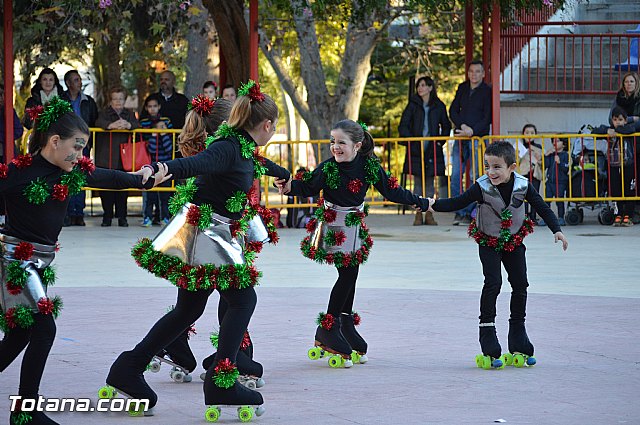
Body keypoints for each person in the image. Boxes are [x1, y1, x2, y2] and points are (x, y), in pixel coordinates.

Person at [104, 81, 290, 417]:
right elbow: (196, 164)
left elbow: (257, 164)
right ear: (266, 125)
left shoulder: (242, 146)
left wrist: (285, 174)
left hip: (210, 231)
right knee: (243, 298)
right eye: (274, 127)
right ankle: (221, 379)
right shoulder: (228, 147)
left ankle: (129, 367)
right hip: (210, 233)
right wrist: (162, 169)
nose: (273, 132)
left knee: (189, 309)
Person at [0, 97, 162, 424]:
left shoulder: (71, 171)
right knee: (44, 330)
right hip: (15, 260)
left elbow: (107, 177)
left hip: (39, 263)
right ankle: (25, 411)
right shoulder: (18, 172)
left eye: (84, 148)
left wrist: (140, 178)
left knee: (20, 334)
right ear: (54, 141)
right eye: (77, 146)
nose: (81, 155)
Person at [276, 120, 428, 366]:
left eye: (341, 143)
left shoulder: (368, 166)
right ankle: (329, 326)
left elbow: (391, 191)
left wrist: (420, 201)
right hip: (333, 224)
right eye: (333, 142)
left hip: (354, 226)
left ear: (357, 145)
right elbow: (307, 186)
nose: (335, 147)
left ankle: (344, 324)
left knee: (351, 274)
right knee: (347, 276)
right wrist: (287, 186)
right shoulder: (328, 168)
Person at [425, 141, 568, 369]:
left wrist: (557, 230)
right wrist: (431, 204)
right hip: (489, 240)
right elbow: (457, 202)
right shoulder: (481, 186)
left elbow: (542, 207)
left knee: (520, 284)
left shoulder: (523, 185)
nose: (491, 172)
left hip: (514, 240)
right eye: (487, 166)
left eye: (496, 167)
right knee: (493, 283)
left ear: (512, 167)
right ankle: (487, 332)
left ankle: (518, 335)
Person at [398, 76, 452, 226]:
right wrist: (412, 142)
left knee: (429, 183)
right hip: (416, 148)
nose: (420, 88)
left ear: (430, 87)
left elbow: (446, 125)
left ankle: (429, 214)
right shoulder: (413, 104)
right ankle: (417, 214)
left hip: (432, 148)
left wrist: (440, 141)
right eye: (418, 86)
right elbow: (403, 125)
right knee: (417, 183)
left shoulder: (439, 105)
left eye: (423, 85)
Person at [449, 60, 492, 225]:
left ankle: (472, 212)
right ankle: (460, 212)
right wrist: (462, 126)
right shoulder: (462, 88)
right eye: (471, 71)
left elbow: (487, 117)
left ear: (483, 74)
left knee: (476, 176)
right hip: (461, 137)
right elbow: (453, 110)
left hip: (477, 139)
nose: (474, 75)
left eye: (477, 71)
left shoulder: (487, 91)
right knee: (455, 176)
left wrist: (472, 130)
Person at [94, 86, 140, 227]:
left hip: (123, 156)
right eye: (115, 99)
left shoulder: (129, 113)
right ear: (110, 100)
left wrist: (129, 125)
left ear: (124, 99)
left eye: (120, 98)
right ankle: (107, 216)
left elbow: (138, 125)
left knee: (122, 187)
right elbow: (97, 123)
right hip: (106, 155)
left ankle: (122, 217)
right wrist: (110, 125)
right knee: (106, 187)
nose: (118, 102)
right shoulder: (104, 113)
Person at [60, 70, 99, 227]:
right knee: (67, 177)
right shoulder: (61, 99)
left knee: (80, 177)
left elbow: (94, 120)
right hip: (66, 145)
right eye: (76, 80)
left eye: (80, 80)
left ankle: (79, 213)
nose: (79, 83)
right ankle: (68, 213)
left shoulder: (88, 101)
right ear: (68, 83)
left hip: (83, 145)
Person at [591, 106, 637, 227]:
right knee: (616, 190)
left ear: (625, 120)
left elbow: (630, 129)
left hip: (628, 164)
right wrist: (607, 131)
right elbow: (594, 131)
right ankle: (618, 214)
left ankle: (628, 215)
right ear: (612, 120)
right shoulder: (609, 130)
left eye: (620, 119)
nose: (618, 122)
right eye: (615, 119)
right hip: (613, 165)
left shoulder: (629, 128)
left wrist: (617, 131)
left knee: (629, 189)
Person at [139, 96, 173, 226]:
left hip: (165, 162)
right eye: (149, 106)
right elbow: (151, 149)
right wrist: (154, 133)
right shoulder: (144, 123)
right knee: (150, 192)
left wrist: (163, 133)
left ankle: (164, 217)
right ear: (146, 108)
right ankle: (147, 217)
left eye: (155, 106)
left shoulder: (166, 121)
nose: (152, 109)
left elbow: (169, 147)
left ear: (159, 107)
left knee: (165, 192)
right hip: (150, 162)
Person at [0, 84, 24, 229]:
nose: (0, 98)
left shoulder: (9, 112)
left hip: (7, 155)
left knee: (8, 185)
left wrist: (2, 137)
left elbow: (17, 131)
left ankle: (6, 215)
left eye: (2, 94)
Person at [517, 124, 543, 221]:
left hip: (535, 173)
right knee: (522, 195)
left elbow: (542, 163)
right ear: (523, 133)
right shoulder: (519, 145)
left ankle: (533, 216)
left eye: (532, 133)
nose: (529, 135)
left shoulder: (538, 146)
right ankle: (524, 216)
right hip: (523, 173)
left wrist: (538, 158)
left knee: (534, 196)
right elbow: (515, 161)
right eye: (527, 132)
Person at [542, 137, 569, 226]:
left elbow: (566, 168)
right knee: (547, 201)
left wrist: (559, 162)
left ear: (564, 144)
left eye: (557, 141)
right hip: (550, 181)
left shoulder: (565, 155)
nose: (554, 142)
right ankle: (546, 218)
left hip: (561, 182)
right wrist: (546, 155)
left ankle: (561, 217)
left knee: (559, 200)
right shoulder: (551, 154)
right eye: (553, 141)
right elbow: (545, 165)